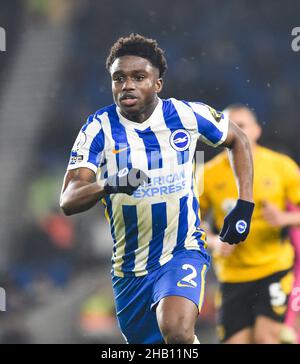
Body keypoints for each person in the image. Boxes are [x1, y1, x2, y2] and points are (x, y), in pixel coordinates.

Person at [60, 34, 255, 344]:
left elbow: (238, 140)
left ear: (158, 83)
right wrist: (111, 183)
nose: (127, 85)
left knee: (176, 331)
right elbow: (69, 199)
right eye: (119, 78)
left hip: (182, 251)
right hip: (129, 269)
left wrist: (245, 204)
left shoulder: (186, 115)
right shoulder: (98, 128)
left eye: (139, 77)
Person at [199, 104, 300, 344]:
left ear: (256, 130)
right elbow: (191, 223)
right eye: (228, 126)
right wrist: (214, 242)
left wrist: (284, 218)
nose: (234, 131)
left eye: (241, 126)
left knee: (266, 338)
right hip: (231, 276)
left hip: (273, 270)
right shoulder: (206, 174)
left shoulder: (280, 165)